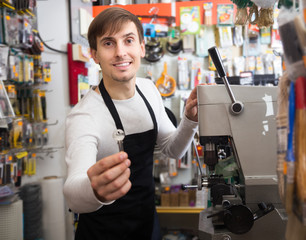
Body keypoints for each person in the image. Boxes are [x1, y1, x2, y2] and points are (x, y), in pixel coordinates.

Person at [63, 7, 198, 240]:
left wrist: (190, 120)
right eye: (108, 43)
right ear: (94, 54)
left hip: (147, 224)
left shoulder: (148, 89)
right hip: (103, 233)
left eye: (128, 40)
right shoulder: (84, 117)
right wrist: (95, 190)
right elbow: (73, 193)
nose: (120, 52)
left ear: (142, 48)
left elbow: (172, 150)